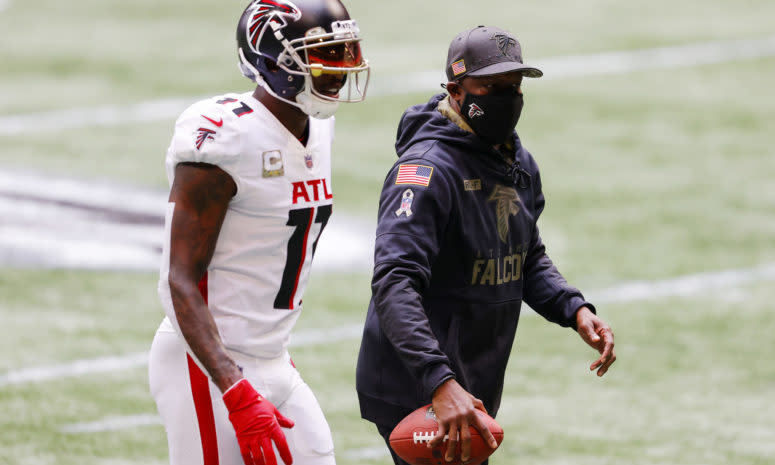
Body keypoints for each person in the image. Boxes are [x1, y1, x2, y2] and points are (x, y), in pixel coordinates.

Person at [355, 25, 616, 465]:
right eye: (489, 87)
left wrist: (574, 309)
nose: (506, 98)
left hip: (470, 376)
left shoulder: (516, 161)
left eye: (513, 87)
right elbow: (394, 284)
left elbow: (525, 256)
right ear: (456, 90)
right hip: (418, 382)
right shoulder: (424, 172)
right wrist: (440, 382)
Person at [148, 1, 369, 464]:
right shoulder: (225, 138)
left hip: (272, 355)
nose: (339, 69)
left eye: (342, 51)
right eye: (321, 53)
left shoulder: (319, 129)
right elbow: (179, 280)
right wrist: (233, 387)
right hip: (208, 363)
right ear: (272, 60)